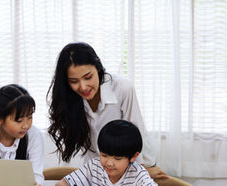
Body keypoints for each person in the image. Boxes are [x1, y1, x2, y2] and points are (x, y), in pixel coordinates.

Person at [47, 42, 167, 179]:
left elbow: (136, 130)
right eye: (74, 81)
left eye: (88, 77)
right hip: (101, 170)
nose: (83, 87)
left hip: (135, 163)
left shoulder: (123, 88)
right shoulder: (70, 98)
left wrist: (141, 172)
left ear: (98, 66)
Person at [55, 120, 163, 186]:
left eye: (117, 158)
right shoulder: (94, 166)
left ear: (133, 156)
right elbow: (60, 185)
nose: (109, 163)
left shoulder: (137, 173)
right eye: (104, 155)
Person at [0, 84, 44, 186]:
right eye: (19, 120)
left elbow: (36, 176)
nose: (26, 125)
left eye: (30, 117)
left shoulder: (33, 135)